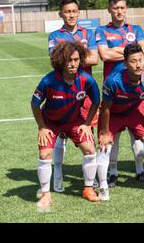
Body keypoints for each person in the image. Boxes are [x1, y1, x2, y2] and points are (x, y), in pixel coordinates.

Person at [32, 41, 101, 212]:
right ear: (61, 61)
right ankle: (46, 195)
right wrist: (41, 127)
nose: (73, 64)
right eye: (69, 60)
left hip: (74, 121)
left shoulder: (86, 80)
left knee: (90, 148)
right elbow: (34, 104)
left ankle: (88, 188)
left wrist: (86, 124)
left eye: (76, 60)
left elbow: (96, 101)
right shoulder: (49, 80)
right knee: (45, 153)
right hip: (50, 123)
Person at [95, 0, 144, 188]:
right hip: (113, 87)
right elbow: (103, 54)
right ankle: (114, 172)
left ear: (126, 9)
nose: (119, 11)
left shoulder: (136, 29)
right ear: (109, 9)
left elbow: (142, 52)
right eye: (115, 7)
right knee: (112, 134)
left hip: (134, 86)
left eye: (122, 7)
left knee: (137, 133)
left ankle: (140, 170)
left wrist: (116, 49)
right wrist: (127, 50)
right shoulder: (101, 30)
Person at [47, 0, 99, 193]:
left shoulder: (88, 33)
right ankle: (58, 172)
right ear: (61, 14)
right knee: (61, 133)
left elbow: (95, 59)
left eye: (74, 11)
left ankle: (90, 179)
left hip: (85, 91)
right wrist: (79, 58)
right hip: (62, 92)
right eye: (67, 11)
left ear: (79, 13)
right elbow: (56, 61)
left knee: (88, 132)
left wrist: (71, 60)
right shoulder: (54, 36)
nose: (71, 15)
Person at [97, 44, 144, 200]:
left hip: (132, 113)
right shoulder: (113, 80)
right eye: (133, 61)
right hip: (112, 115)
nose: (138, 64)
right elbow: (105, 108)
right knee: (105, 146)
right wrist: (105, 133)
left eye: (140, 60)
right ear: (125, 63)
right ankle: (103, 186)